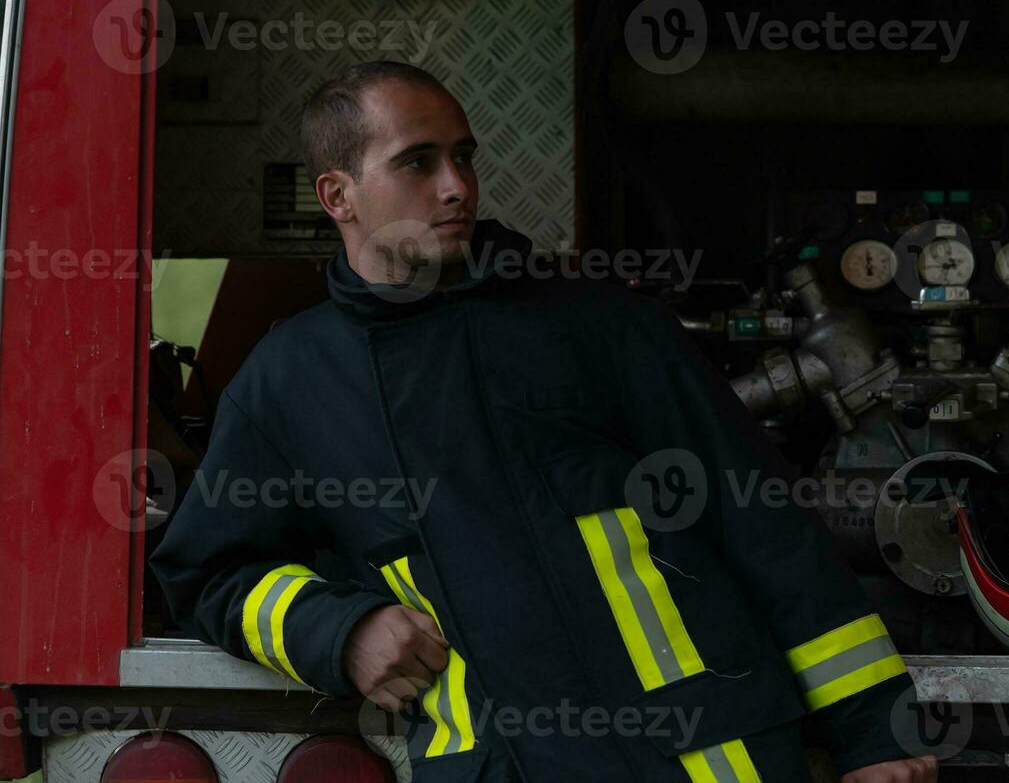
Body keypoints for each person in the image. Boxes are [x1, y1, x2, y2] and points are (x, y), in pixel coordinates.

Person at [150, 61, 940, 783]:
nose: (457, 186)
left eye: (465, 156)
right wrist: (340, 631)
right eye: (418, 163)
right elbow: (212, 570)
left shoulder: (601, 328)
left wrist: (873, 736)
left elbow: (763, 529)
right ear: (337, 196)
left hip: (703, 761)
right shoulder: (289, 381)